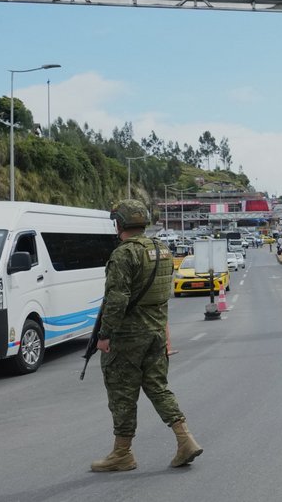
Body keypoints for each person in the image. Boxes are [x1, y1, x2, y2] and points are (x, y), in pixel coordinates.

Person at [91, 199, 203, 473]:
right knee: (157, 386)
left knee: (122, 394)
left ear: (119, 223)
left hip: (128, 337)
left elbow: (117, 299)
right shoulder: (162, 249)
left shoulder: (124, 254)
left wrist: (104, 336)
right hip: (155, 332)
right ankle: (184, 438)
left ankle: (122, 454)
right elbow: (162, 295)